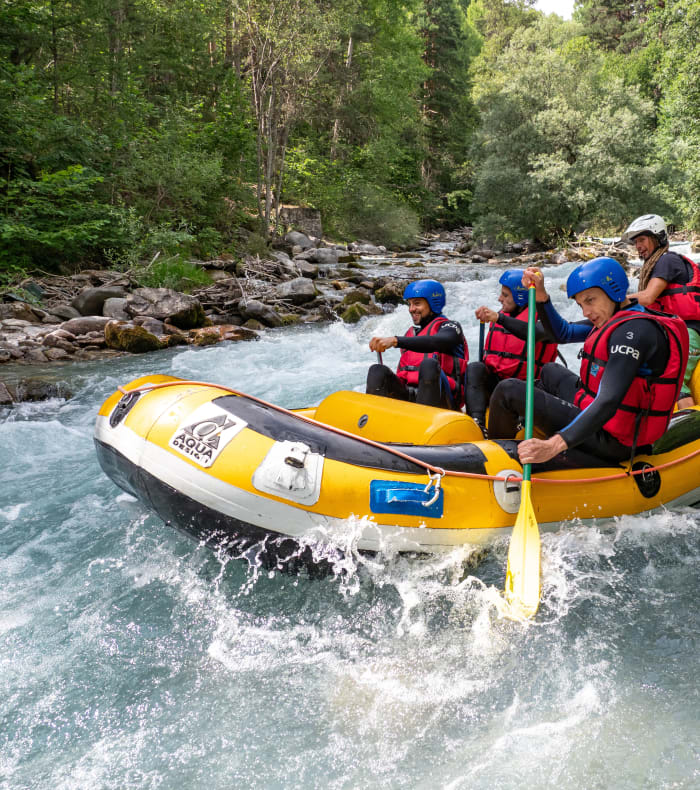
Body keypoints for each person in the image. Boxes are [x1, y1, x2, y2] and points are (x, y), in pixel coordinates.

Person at [487, 257, 689, 465]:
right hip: (598, 416)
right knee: (549, 371)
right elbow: (562, 333)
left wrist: (554, 445)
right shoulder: (617, 316)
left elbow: (608, 401)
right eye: (581, 304)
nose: (586, 312)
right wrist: (541, 297)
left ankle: (499, 461)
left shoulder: (634, 332)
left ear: (615, 290)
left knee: (508, 390)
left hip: (616, 440)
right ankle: (525, 425)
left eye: (590, 300)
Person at [466, 269, 559, 433]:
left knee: (510, 387)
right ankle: (477, 423)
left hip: (526, 389)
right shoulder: (499, 315)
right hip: (498, 384)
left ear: (520, 296)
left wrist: (499, 318)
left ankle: (519, 425)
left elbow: (532, 332)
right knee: (475, 367)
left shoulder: (544, 319)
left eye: (505, 295)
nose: (499, 299)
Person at [623, 213, 700, 408]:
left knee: (678, 382)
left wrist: (615, 301)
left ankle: (688, 430)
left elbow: (648, 297)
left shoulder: (667, 261)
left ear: (657, 238)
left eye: (642, 239)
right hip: (676, 329)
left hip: (691, 330)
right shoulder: (657, 264)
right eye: (635, 242)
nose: (638, 246)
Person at [367, 279, 468, 409]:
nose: (411, 309)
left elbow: (436, 342)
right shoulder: (412, 334)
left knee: (429, 365)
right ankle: (372, 419)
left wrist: (396, 340)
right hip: (410, 395)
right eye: (409, 304)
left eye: (417, 304)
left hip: (443, 399)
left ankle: (424, 420)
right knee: (377, 370)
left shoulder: (451, 327)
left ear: (433, 304)